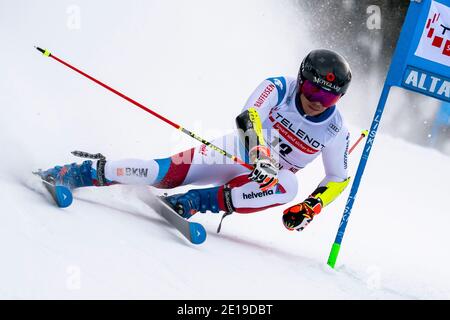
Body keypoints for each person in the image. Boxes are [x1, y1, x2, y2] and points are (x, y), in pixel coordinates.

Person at [38, 49, 352, 232]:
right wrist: (260, 154)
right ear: (302, 80)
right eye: (313, 91)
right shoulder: (279, 87)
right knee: (158, 174)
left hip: (263, 181)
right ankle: (78, 173)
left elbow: (338, 176)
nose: (318, 102)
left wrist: (313, 206)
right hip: (233, 151)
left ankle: (192, 203)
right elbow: (248, 117)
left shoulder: (336, 129)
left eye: (329, 97)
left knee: (289, 186)